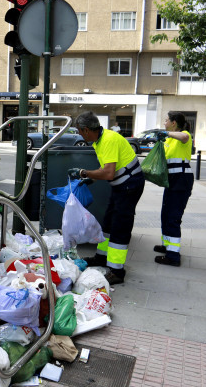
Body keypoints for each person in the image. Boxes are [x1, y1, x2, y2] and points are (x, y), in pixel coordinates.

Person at [69, 111, 145, 285]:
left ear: (86, 130)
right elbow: (107, 169)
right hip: (122, 185)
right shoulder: (99, 141)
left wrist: (84, 172)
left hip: (129, 185)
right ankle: (102, 258)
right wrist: (90, 179)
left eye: (79, 131)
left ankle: (117, 271)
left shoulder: (108, 140)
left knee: (120, 225)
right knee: (109, 222)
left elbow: (109, 173)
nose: (79, 134)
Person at [153, 112, 194, 267]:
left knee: (173, 217)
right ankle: (167, 245)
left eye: (166, 120)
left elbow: (184, 138)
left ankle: (173, 255)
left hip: (181, 180)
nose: (164, 122)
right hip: (172, 181)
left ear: (174, 123)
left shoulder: (184, 135)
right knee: (165, 214)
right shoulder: (169, 140)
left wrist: (166, 133)